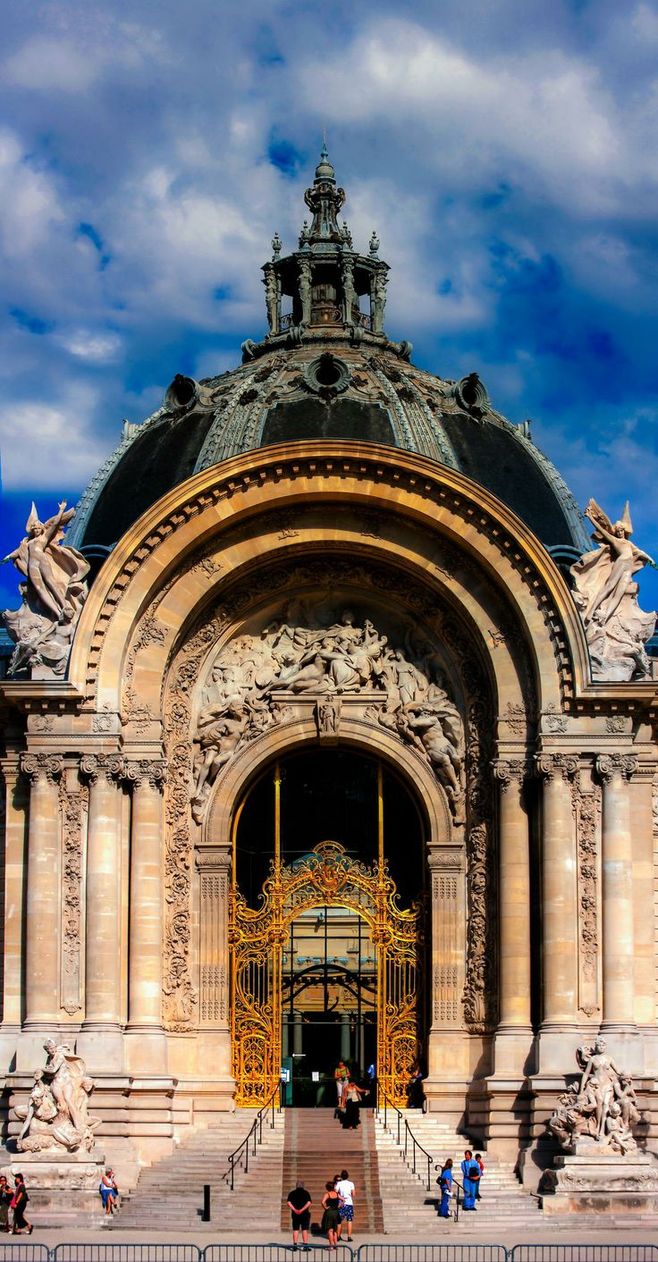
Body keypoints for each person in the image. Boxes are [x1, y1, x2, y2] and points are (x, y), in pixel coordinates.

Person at [286, 1180, 311, 1251]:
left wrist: (294, 1209)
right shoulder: (306, 1193)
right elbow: (309, 1203)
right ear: (303, 1186)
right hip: (305, 1214)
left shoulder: (292, 1193)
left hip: (295, 1214)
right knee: (304, 1229)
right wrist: (302, 1210)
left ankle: (295, 1245)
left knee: (295, 1229)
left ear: (296, 1185)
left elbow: (288, 1202)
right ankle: (305, 1246)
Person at [336, 1169, 355, 1243]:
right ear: (347, 1176)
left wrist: (341, 1197)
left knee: (339, 1220)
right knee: (349, 1220)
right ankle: (349, 1236)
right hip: (349, 1203)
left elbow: (336, 1192)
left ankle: (338, 1236)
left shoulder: (339, 1184)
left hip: (342, 1203)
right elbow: (353, 1194)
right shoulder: (351, 1183)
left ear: (341, 1176)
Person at [321, 1179, 341, 1249]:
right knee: (335, 1230)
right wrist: (339, 1206)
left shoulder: (327, 1194)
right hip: (336, 1212)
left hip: (329, 1212)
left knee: (330, 1230)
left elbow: (322, 1202)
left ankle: (331, 1246)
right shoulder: (336, 1193)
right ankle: (336, 1245)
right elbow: (343, 1200)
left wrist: (325, 1208)